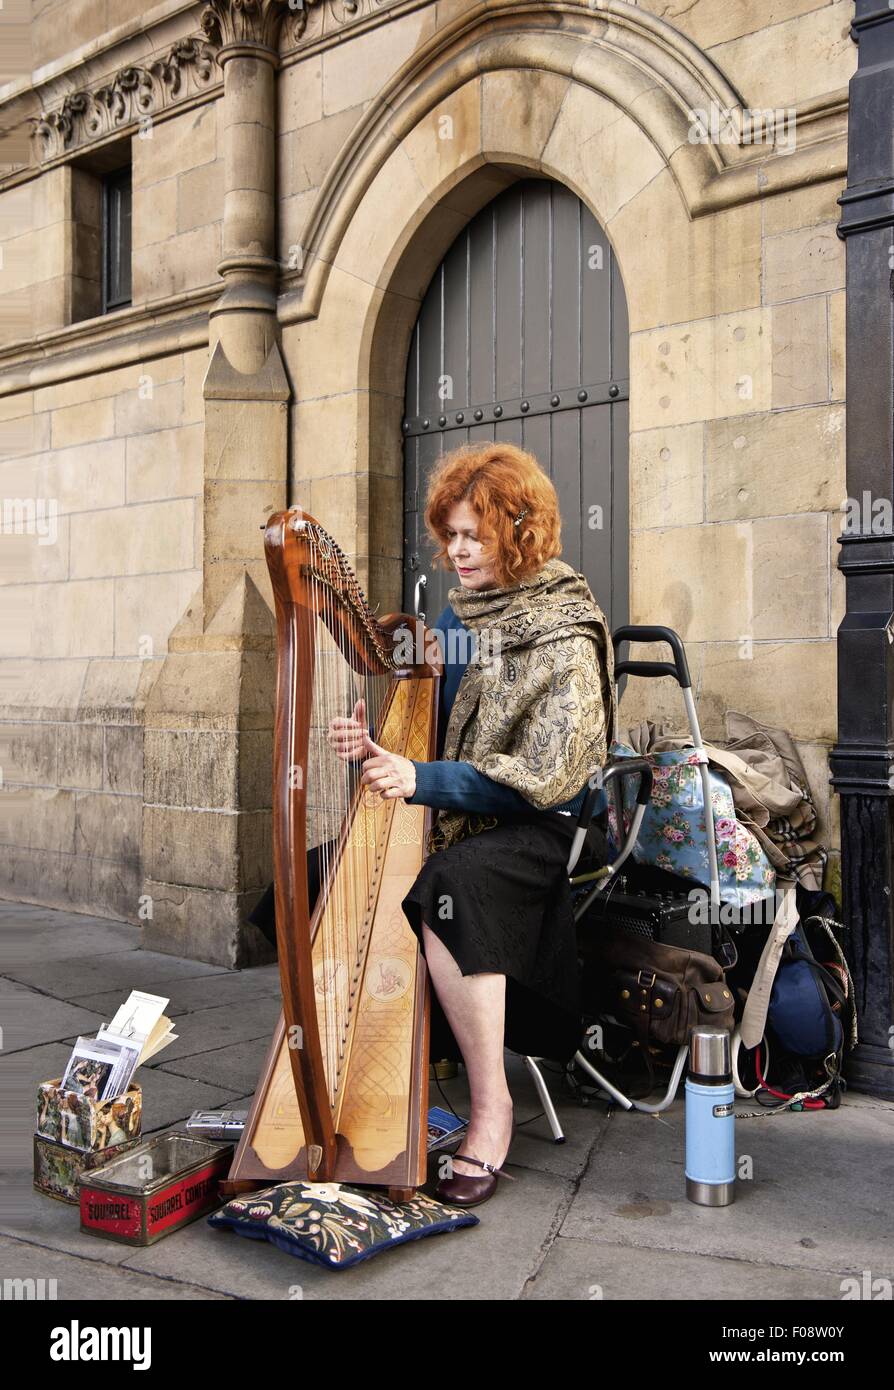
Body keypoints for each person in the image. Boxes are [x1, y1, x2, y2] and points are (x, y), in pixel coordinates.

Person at [329, 441, 616, 1207]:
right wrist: (377, 750)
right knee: (332, 868)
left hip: (544, 825)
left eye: (474, 536)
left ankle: (494, 1111)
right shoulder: (459, 621)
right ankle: (365, 1073)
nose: (456, 551)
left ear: (519, 533)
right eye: (450, 534)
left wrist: (418, 779)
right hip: (469, 811)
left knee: (453, 884)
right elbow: (443, 738)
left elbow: (545, 774)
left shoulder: (565, 631)